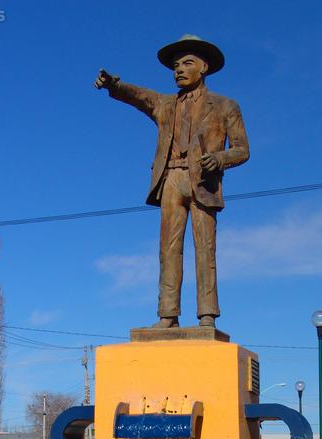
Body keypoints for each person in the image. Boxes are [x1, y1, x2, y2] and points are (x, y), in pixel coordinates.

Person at [95, 35, 249, 329]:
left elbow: (242, 150)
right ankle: (168, 314)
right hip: (172, 180)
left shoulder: (225, 105)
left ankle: (207, 315)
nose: (179, 69)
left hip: (204, 182)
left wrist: (219, 159)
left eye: (187, 63)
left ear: (204, 67)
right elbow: (139, 96)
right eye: (176, 65)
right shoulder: (165, 104)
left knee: (205, 249)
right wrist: (115, 85)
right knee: (168, 250)